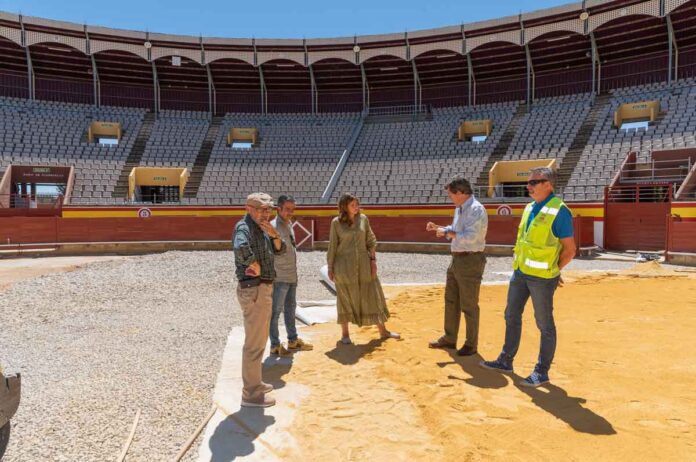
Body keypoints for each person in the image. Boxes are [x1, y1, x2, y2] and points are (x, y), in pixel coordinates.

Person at [480, 167, 576, 387]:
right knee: (511, 315)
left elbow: (570, 250)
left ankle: (541, 372)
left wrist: (554, 271)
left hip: (542, 279)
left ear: (548, 184)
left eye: (535, 182)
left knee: (544, 324)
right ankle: (506, 360)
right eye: (529, 182)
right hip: (520, 273)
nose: (529, 186)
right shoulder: (529, 207)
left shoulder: (559, 210)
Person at [233, 192, 286, 408]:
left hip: (261, 288)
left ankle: (255, 383)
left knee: (259, 339)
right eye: (261, 209)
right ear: (249, 208)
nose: (266, 213)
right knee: (254, 343)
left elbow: (280, 251)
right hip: (254, 289)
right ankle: (251, 393)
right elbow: (240, 246)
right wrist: (251, 263)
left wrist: (274, 235)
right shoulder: (244, 227)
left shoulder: (262, 228)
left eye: (268, 209)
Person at [426, 175, 488, 356]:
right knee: (451, 300)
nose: (450, 198)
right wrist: (440, 228)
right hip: (457, 259)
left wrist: (447, 233)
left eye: (451, 195)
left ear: (461, 193)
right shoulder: (460, 208)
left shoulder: (476, 209)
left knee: (469, 304)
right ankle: (450, 338)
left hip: (470, 260)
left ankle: (471, 344)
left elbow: (471, 237)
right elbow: (457, 230)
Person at [327, 193, 400, 344]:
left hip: (364, 264)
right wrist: (330, 266)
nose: (356, 207)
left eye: (357, 204)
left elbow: (370, 240)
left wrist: (373, 261)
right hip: (343, 267)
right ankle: (345, 335)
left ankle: (383, 331)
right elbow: (332, 245)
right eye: (352, 205)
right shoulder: (336, 223)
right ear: (344, 207)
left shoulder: (363, 219)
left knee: (372, 295)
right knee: (345, 298)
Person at [269, 194, 313, 357]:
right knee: (275, 311)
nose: (290, 212)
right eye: (287, 209)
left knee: (290, 309)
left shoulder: (288, 224)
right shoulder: (273, 226)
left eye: (292, 209)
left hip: (291, 275)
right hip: (280, 276)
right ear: (278, 209)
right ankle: (274, 344)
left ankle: (292, 341)